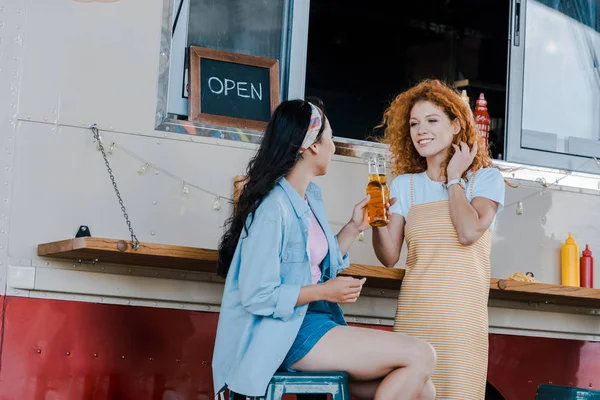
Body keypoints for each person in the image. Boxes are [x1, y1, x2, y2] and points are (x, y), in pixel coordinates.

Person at [212, 99, 437, 400]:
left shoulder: (307, 199)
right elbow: (258, 294)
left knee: (424, 390)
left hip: (315, 322)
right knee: (422, 355)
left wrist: (354, 227)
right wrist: (325, 292)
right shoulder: (273, 209)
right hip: (288, 333)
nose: (333, 147)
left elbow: (316, 268)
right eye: (330, 139)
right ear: (313, 146)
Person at [372, 80, 506, 399]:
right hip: (415, 315)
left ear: (457, 125)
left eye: (432, 121)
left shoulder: (486, 180)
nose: (421, 130)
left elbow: (468, 231)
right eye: (414, 123)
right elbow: (389, 255)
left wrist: (454, 179)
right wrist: (375, 219)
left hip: (463, 321)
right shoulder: (405, 185)